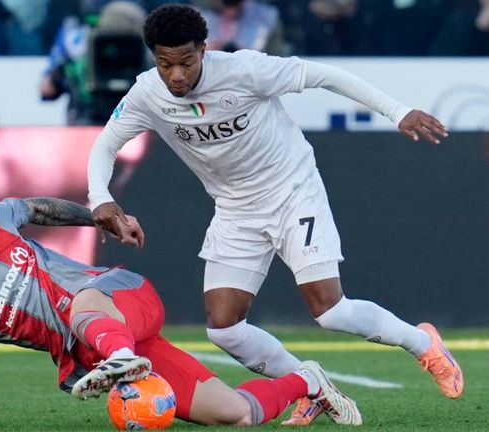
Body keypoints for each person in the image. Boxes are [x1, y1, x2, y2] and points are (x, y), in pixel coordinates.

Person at [86, 3, 464, 426]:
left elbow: (326, 76)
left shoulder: (246, 70)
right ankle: (309, 385)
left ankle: (423, 344)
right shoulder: (146, 94)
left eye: (186, 62)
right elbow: (106, 144)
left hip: (292, 192)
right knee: (225, 330)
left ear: (204, 50)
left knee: (331, 312)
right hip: (235, 210)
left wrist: (398, 111)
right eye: (164, 63)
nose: (175, 75)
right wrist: (101, 198)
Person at [0, 197, 362, 427]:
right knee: (236, 415)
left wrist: (102, 218)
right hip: (98, 350)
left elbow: (38, 210)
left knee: (78, 303)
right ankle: (309, 381)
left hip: (118, 298)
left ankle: (120, 360)